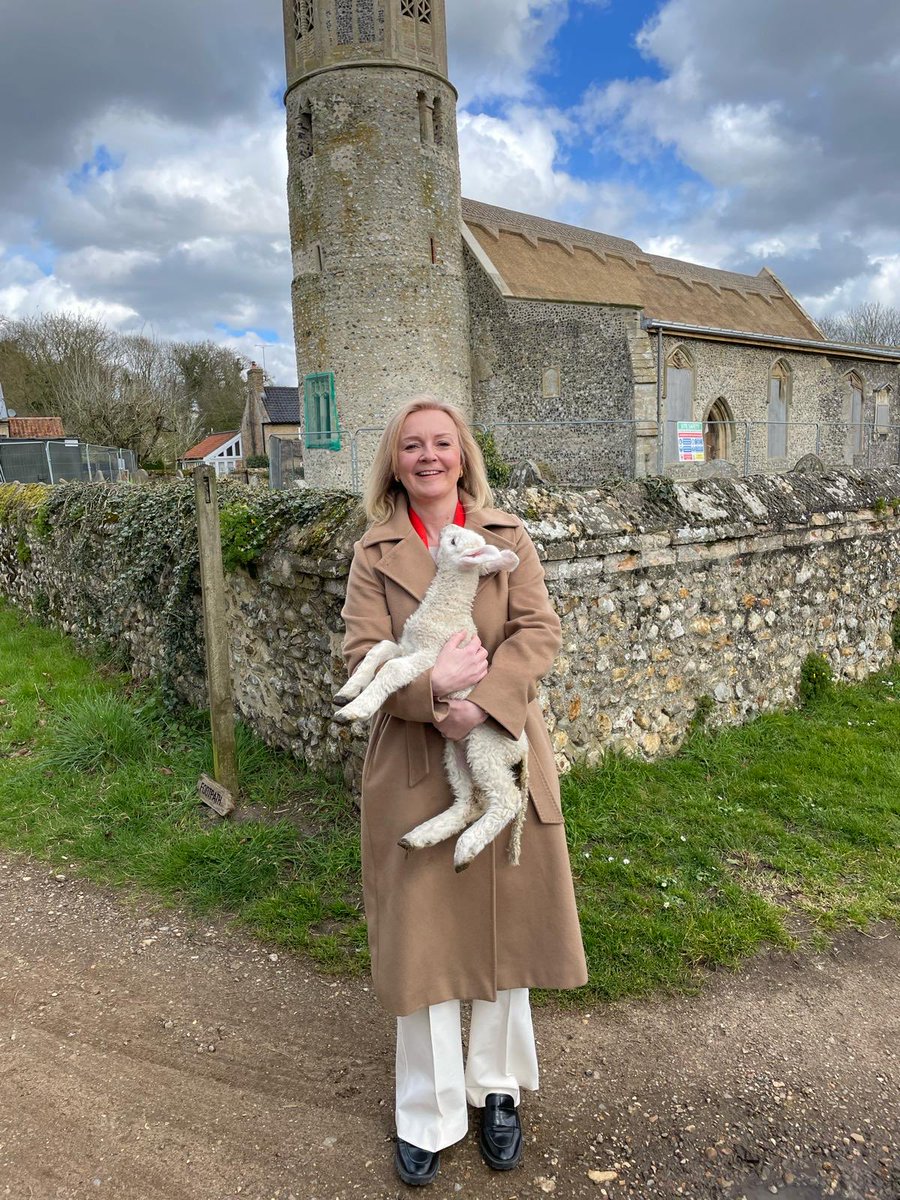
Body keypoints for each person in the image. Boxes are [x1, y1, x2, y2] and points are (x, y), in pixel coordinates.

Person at [341, 396, 587, 1187]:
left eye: (441, 443)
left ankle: (497, 1091)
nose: (428, 457)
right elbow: (361, 651)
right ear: (395, 461)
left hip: (501, 751)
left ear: (462, 454)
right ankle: (429, 1111)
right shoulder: (372, 552)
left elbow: (538, 631)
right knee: (423, 946)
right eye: (411, 446)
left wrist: (479, 702)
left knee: (504, 935)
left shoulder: (507, 538)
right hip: (414, 770)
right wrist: (429, 694)